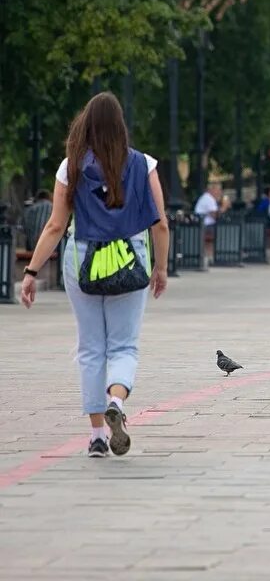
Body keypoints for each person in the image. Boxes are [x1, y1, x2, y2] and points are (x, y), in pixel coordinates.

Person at [19, 92, 169, 459]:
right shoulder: (143, 164)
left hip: (82, 255)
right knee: (124, 345)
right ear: (121, 125)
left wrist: (31, 271)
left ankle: (97, 436)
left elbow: (56, 225)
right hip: (130, 257)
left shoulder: (69, 166)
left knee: (90, 349)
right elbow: (160, 225)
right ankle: (117, 399)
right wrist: (161, 267)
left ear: (86, 123)